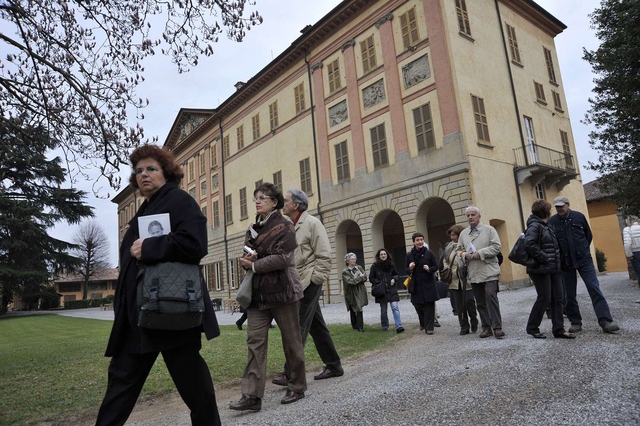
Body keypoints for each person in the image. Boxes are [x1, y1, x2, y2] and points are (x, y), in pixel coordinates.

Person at [96, 144, 221, 426]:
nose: (144, 175)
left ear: (166, 172)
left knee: (196, 388)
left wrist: (151, 247)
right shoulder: (146, 208)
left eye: (151, 169)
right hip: (138, 318)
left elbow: (195, 243)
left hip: (171, 314)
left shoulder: (179, 200)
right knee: (121, 382)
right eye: (139, 171)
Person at [229, 183, 307, 411]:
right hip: (259, 295)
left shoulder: (285, 225)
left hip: (283, 290)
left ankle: (297, 386)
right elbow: (247, 256)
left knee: (292, 343)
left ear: (275, 202)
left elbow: (283, 259)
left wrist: (254, 264)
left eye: (263, 197)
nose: (257, 201)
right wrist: (246, 261)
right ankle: (252, 396)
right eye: (256, 197)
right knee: (255, 343)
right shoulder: (253, 228)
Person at [270, 189, 344, 387]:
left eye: (285, 201)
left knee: (298, 325)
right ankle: (334, 365)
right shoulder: (288, 225)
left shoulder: (312, 223)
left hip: (309, 281)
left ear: (296, 204)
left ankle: (290, 373)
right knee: (316, 325)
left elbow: (324, 254)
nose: (282, 204)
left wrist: (317, 279)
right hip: (297, 282)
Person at [549, 196, 619, 334]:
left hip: (584, 260)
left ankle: (605, 321)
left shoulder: (578, 217)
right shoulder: (553, 222)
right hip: (565, 263)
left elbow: (588, 235)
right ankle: (575, 323)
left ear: (568, 205)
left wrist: (581, 250)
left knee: (594, 288)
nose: (559, 209)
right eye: (557, 207)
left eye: (561, 206)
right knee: (569, 295)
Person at [524, 200, 575, 339]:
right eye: (549, 209)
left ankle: (559, 329)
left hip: (553, 268)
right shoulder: (535, 225)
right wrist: (544, 257)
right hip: (540, 269)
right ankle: (532, 327)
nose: (551, 211)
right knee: (544, 298)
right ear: (545, 211)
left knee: (559, 298)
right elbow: (529, 243)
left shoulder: (547, 225)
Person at [456, 206, 505, 339]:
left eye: (473, 215)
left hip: (489, 270)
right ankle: (486, 327)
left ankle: (497, 327)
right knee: (480, 301)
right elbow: (458, 251)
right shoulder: (464, 234)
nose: (470, 217)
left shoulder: (489, 230)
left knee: (491, 296)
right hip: (474, 272)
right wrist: (465, 255)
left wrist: (479, 253)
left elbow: (496, 247)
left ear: (479, 216)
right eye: (468, 215)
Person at [443, 224, 478, 335]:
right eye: (451, 235)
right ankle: (464, 326)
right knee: (459, 305)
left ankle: (474, 319)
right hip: (454, 280)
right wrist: (446, 268)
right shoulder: (449, 247)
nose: (452, 237)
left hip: (466, 279)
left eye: (454, 235)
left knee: (469, 302)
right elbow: (445, 260)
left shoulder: (466, 244)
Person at [405, 232, 439, 335]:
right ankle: (423, 323)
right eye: (417, 240)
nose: (420, 242)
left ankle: (429, 327)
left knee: (429, 304)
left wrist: (429, 269)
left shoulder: (429, 253)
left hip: (428, 282)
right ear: (414, 242)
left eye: (421, 240)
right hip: (416, 283)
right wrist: (410, 268)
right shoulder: (409, 255)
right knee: (417, 305)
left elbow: (436, 266)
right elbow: (405, 269)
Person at [369, 248, 405, 333]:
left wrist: (394, 279)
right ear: (379, 256)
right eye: (381, 254)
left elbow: (397, 274)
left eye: (384, 254)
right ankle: (385, 326)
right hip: (382, 291)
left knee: (395, 307)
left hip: (391, 289)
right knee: (383, 311)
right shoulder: (374, 266)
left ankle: (399, 326)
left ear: (387, 255)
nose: (383, 256)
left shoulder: (391, 264)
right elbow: (371, 278)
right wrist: (379, 283)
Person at [342, 253, 368, 332]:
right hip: (351, 291)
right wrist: (360, 278)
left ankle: (360, 327)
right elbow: (350, 282)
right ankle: (355, 325)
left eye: (355, 259)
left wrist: (359, 279)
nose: (354, 260)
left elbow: (365, 277)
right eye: (352, 259)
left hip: (359, 290)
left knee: (359, 306)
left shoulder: (358, 267)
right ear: (348, 261)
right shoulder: (345, 271)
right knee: (353, 306)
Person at [623, 215, 640, 284]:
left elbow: (627, 243)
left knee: (639, 273)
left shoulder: (627, 229)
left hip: (635, 254)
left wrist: (629, 255)